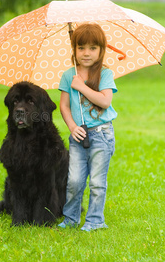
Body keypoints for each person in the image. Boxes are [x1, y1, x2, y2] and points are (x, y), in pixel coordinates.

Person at [58, 23, 118, 232]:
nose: (86, 53)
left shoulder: (105, 74)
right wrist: (73, 127)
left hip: (102, 135)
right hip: (78, 137)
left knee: (97, 183)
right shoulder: (69, 75)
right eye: (81, 47)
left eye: (93, 48)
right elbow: (64, 106)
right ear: (73, 49)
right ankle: (71, 218)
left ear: (102, 50)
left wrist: (82, 86)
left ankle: (95, 221)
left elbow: (105, 101)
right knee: (73, 181)